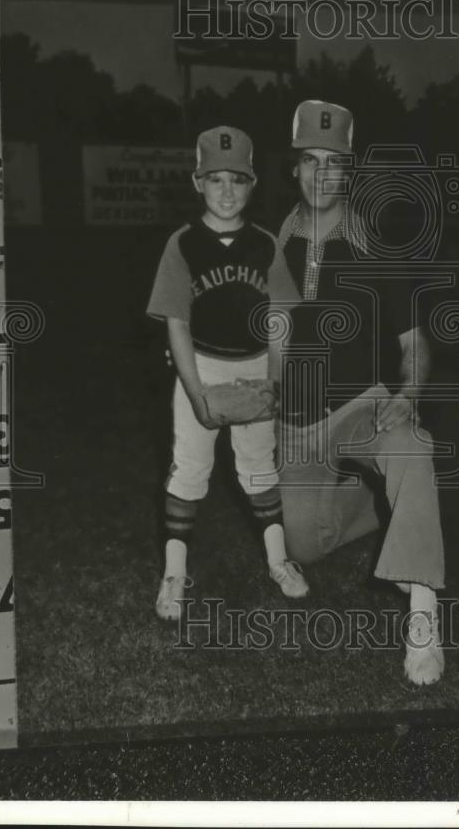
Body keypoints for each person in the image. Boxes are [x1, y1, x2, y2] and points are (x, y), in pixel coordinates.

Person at [276, 100, 446, 686]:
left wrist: (410, 390)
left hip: (365, 406)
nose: (321, 175)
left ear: (349, 173)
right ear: (293, 168)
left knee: (413, 448)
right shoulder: (267, 246)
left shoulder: (376, 247)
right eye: (309, 161)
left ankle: (423, 615)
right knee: (308, 544)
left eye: (334, 163)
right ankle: (382, 510)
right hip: (296, 422)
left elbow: (417, 343)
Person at [147, 125, 309, 621]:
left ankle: (280, 562)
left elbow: (280, 319)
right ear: (197, 183)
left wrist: (275, 380)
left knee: (259, 467)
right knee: (191, 469)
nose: (225, 190)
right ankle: (174, 573)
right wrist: (196, 393)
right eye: (214, 179)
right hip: (201, 365)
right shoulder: (183, 243)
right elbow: (176, 322)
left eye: (236, 180)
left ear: (253, 184)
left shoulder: (264, 244)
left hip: (256, 364)